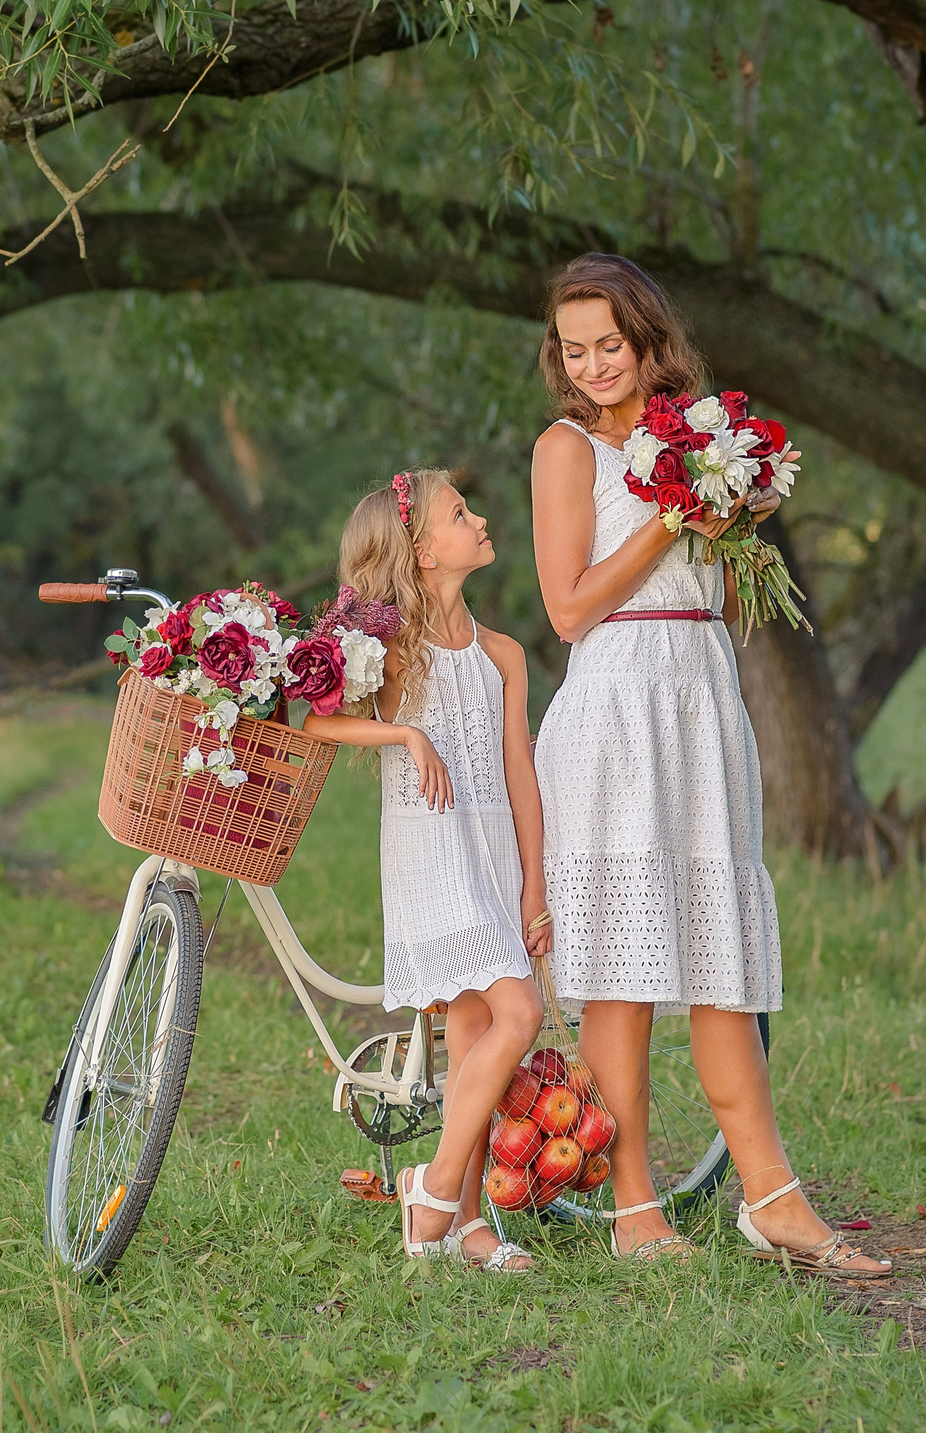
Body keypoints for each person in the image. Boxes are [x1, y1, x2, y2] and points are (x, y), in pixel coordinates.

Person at [528, 253, 890, 1277]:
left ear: (651, 341)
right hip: (613, 700)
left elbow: (723, 600)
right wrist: (670, 515)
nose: (594, 363)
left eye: (610, 342)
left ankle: (773, 1198)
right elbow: (568, 607)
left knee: (722, 959)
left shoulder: (700, 440)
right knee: (626, 970)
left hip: (700, 691)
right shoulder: (566, 451)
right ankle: (634, 1203)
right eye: (574, 347)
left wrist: (728, 519)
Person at [301, 470, 551, 1272]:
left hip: (492, 855)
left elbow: (520, 772)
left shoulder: (504, 655)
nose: (480, 520)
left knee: (478, 1031)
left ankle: (470, 1224)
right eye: (459, 513)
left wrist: (535, 882)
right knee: (520, 1015)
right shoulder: (387, 654)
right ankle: (434, 1187)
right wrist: (406, 738)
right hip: (429, 849)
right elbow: (320, 719)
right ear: (419, 549)